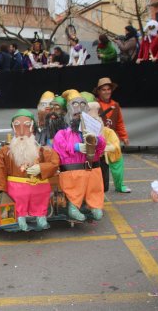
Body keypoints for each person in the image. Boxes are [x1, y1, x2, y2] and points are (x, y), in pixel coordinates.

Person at [0, 109, 59, 231]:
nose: (22, 131)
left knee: (41, 193)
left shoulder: (41, 149)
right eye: (17, 125)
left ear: (32, 127)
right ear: (13, 128)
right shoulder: (5, 151)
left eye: (27, 125)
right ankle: (20, 217)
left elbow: (54, 163)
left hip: (38, 185)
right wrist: (0, 190)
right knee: (18, 194)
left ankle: (40, 216)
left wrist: (41, 168)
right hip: (17, 187)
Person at [52, 89, 106, 221]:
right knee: (75, 182)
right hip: (73, 173)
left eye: (83, 107)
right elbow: (59, 146)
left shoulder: (92, 130)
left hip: (92, 169)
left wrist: (96, 139)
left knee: (94, 181)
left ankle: (95, 205)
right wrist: (76, 147)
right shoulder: (63, 133)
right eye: (75, 108)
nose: (79, 113)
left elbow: (102, 145)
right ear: (68, 112)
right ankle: (73, 206)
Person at [87, 101, 131, 193]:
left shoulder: (108, 132)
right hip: (89, 156)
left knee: (116, 169)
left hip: (105, 155)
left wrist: (105, 147)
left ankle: (119, 186)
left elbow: (115, 145)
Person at [94, 77, 129, 146]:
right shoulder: (94, 104)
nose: (107, 92)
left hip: (112, 140)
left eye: (108, 89)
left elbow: (119, 123)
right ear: (98, 91)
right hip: (98, 140)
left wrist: (124, 136)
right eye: (103, 90)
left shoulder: (115, 105)